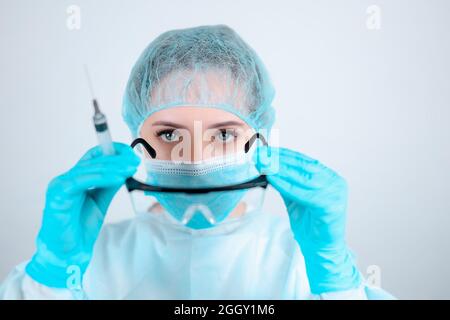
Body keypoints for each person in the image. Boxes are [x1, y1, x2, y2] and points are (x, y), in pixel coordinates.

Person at [0, 25, 386, 299]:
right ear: (136, 139)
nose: (197, 163)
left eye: (223, 134)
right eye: (169, 135)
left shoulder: (307, 266)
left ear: (260, 140)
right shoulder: (87, 264)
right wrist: (51, 275)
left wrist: (337, 287)